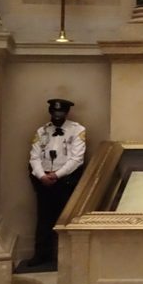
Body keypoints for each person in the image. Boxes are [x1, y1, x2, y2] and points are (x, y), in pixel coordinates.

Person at [27, 98, 86, 268]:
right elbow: (34, 157)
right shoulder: (42, 131)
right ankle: (41, 255)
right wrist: (41, 176)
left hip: (65, 181)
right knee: (44, 219)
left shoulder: (77, 130)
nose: (57, 115)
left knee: (66, 219)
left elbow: (77, 159)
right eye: (54, 112)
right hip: (44, 181)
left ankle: (67, 258)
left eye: (60, 112)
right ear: (50, 112)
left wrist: (57, 175)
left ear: (66, 113)